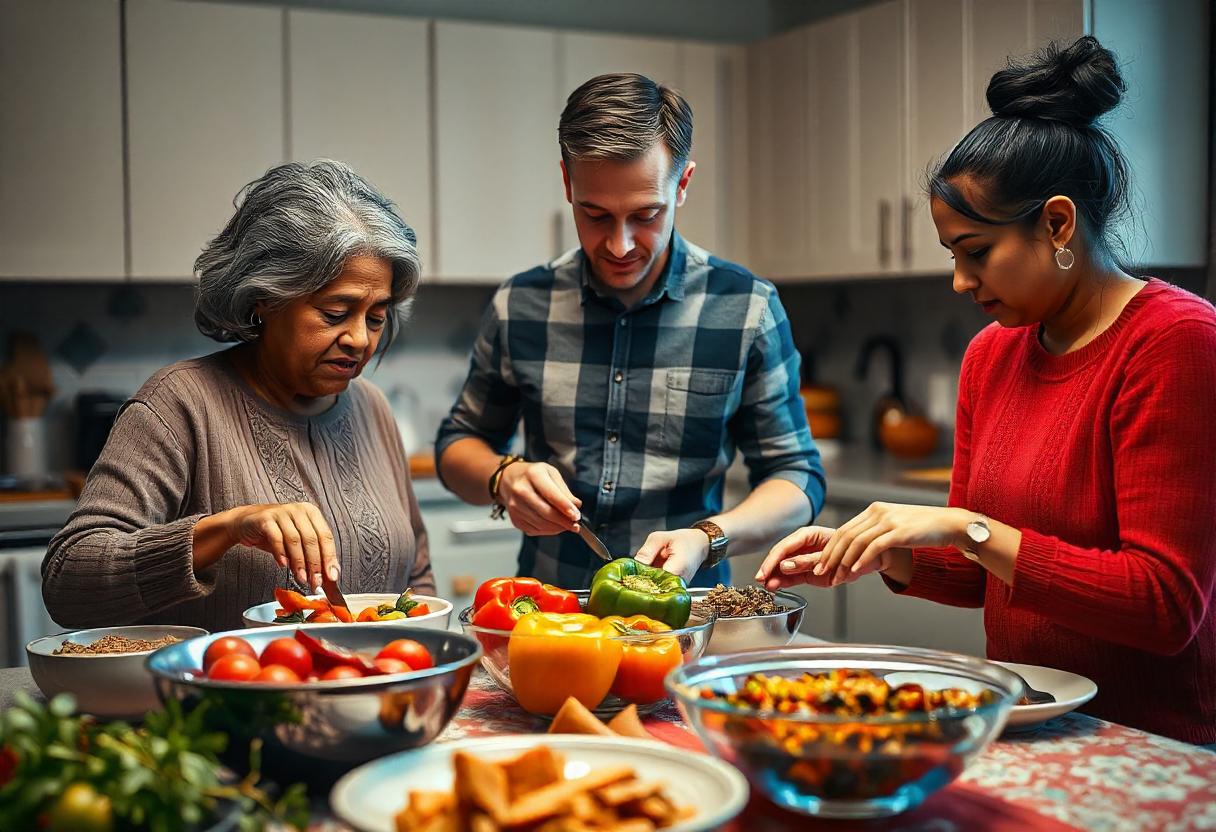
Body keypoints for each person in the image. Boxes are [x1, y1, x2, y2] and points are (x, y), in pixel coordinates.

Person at [756, 37, 1216, 744]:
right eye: (952, 255)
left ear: (1057, 223)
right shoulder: (991, 356)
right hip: (1026, 724)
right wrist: (884, 549)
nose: (960, 282)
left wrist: (965, 526)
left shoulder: (1176, 343)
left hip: (1153, 742)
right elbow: (984, 577)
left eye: (977, 253)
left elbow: (1164, 606)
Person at [436, 73, 824, 589]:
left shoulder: (746, 308)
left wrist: (708, 536)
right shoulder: (521, 304)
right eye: (594, 215)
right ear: (568, 184)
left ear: (682, 184)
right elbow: (457, 444)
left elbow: (796, 477)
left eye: (646, 214)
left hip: (688, 618)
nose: (619, 245)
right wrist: (503, 478)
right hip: (553, 611)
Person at [43, 160, 435, 631]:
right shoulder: (181, 404)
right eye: (336, 313)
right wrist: (228, 527)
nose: (360, 338)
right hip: (230, 700)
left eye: (376, 317)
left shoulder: (372, 407)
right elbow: (69, 584)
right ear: (264, 299)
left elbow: (417, 579)